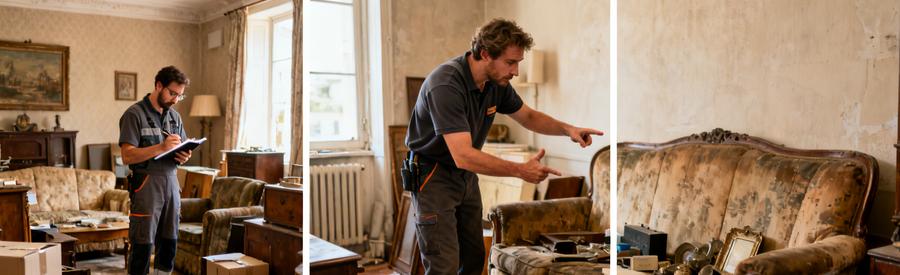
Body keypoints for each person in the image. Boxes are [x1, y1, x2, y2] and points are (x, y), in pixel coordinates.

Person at [405, 18, 604, 275]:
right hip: (433, 176)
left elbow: (529, 116)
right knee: (443, 264)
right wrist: (520, 170)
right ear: (485, 54)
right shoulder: (445, 84)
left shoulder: (496, 85)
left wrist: (568, 130)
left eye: (518, 63)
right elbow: (463, 155)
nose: (516, 72)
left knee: (474, 257)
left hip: (464, 178)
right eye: (511, 62)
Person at [118, 66, 192, 275]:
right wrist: (161, 147)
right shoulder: (134, 114)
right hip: (146, 185)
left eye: (180, 96)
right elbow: (127, 156)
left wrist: (184, 156)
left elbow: (182, 148)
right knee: (143, 244)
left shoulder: (175, 117)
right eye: (172, 93)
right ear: (158, 86)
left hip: (171, 183)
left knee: (169, 244)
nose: (175, 99)